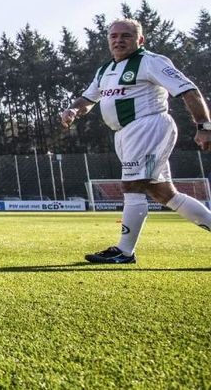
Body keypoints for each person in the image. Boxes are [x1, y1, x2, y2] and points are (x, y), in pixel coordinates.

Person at [61, 18, 211, 263]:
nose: (119, 40)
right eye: (114, 36)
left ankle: (124, 251)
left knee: (131, 186)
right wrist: (73, 110)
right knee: (164, 194)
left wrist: (204, 126)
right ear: (109, 40)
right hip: (124, 135)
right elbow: (88, 99)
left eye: (126, 36)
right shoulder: (105, 70)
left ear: (139, 40)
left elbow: (188, 89)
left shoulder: (150, 61)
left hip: (149, 127)